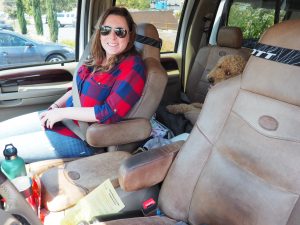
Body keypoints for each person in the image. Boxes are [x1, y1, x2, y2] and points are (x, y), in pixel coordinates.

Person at [0, 7, 146, 163]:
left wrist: (63, 113)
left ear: (129, 36)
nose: (112, 37)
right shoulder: (98, 57)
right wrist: (55, 107)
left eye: (120, 32)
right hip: (62, 119)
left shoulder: (132, 66)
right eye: (106, 30)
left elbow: (108, 112)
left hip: (80, 136)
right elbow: (75, 90)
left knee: (4, 150)